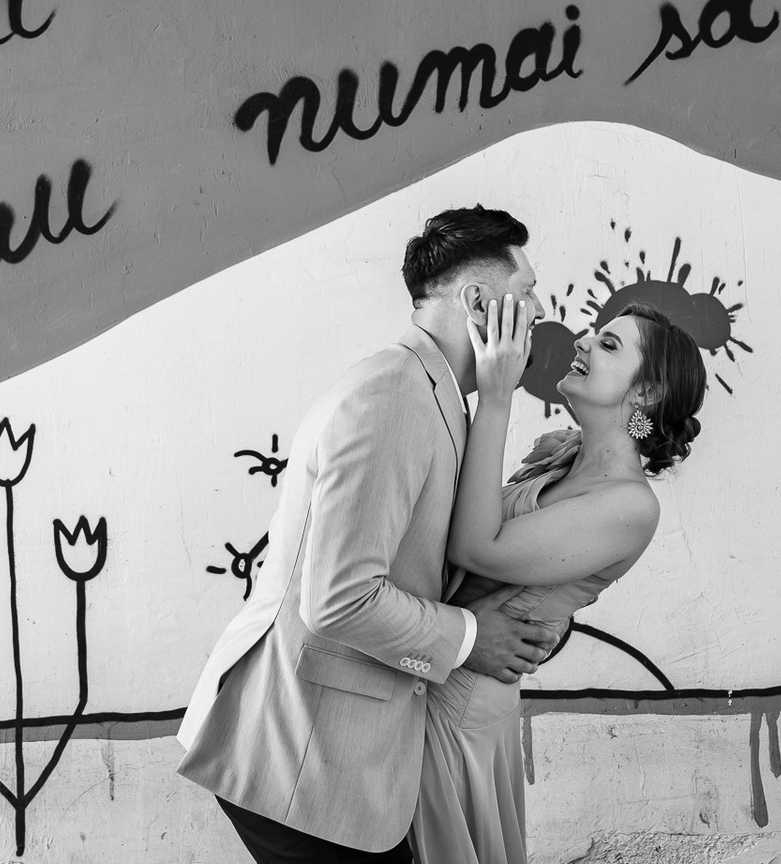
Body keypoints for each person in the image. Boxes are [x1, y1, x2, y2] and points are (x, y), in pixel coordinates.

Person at [177, 205, 562, 863]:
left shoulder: (437, 394)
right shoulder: (393, 395)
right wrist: (473, 639)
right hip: (299, 752)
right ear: (477, 301)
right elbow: (340, 598)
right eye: (526, 292)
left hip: (343, 754)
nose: (540, 310)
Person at [411, 296, 707, 864]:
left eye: (608, 344)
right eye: (594, 333)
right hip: (437, 672)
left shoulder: (630, 507)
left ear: (645, 393)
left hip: (460, 708)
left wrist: (497, 395)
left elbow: (476, 547)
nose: (582, 341)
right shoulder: (565, 457)